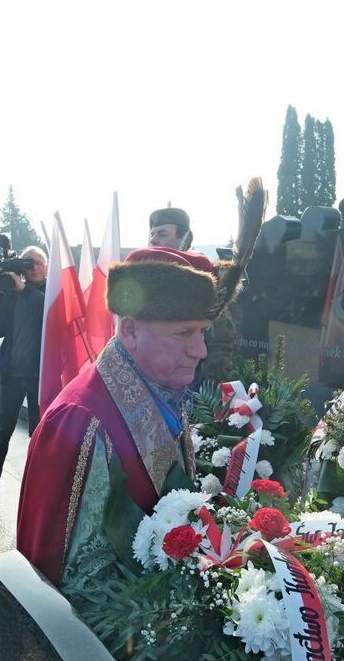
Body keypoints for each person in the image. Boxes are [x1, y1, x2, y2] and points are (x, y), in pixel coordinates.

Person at [17, 247, 233, 587]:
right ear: (130, 331)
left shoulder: (161, 387)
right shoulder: (80, 423)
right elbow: (67, 585)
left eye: (203, 332)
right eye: (184, 333)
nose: (200, 350)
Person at [0, 246, 47, 516]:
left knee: (38, 435)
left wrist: (23, 290)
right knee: (2, 433)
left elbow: (47, 315)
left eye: (38, 263)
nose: (34, 267)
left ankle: (40, 492)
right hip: (12, 374)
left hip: (40, 377)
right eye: (29, 263)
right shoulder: (12, 291)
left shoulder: (49, 291)